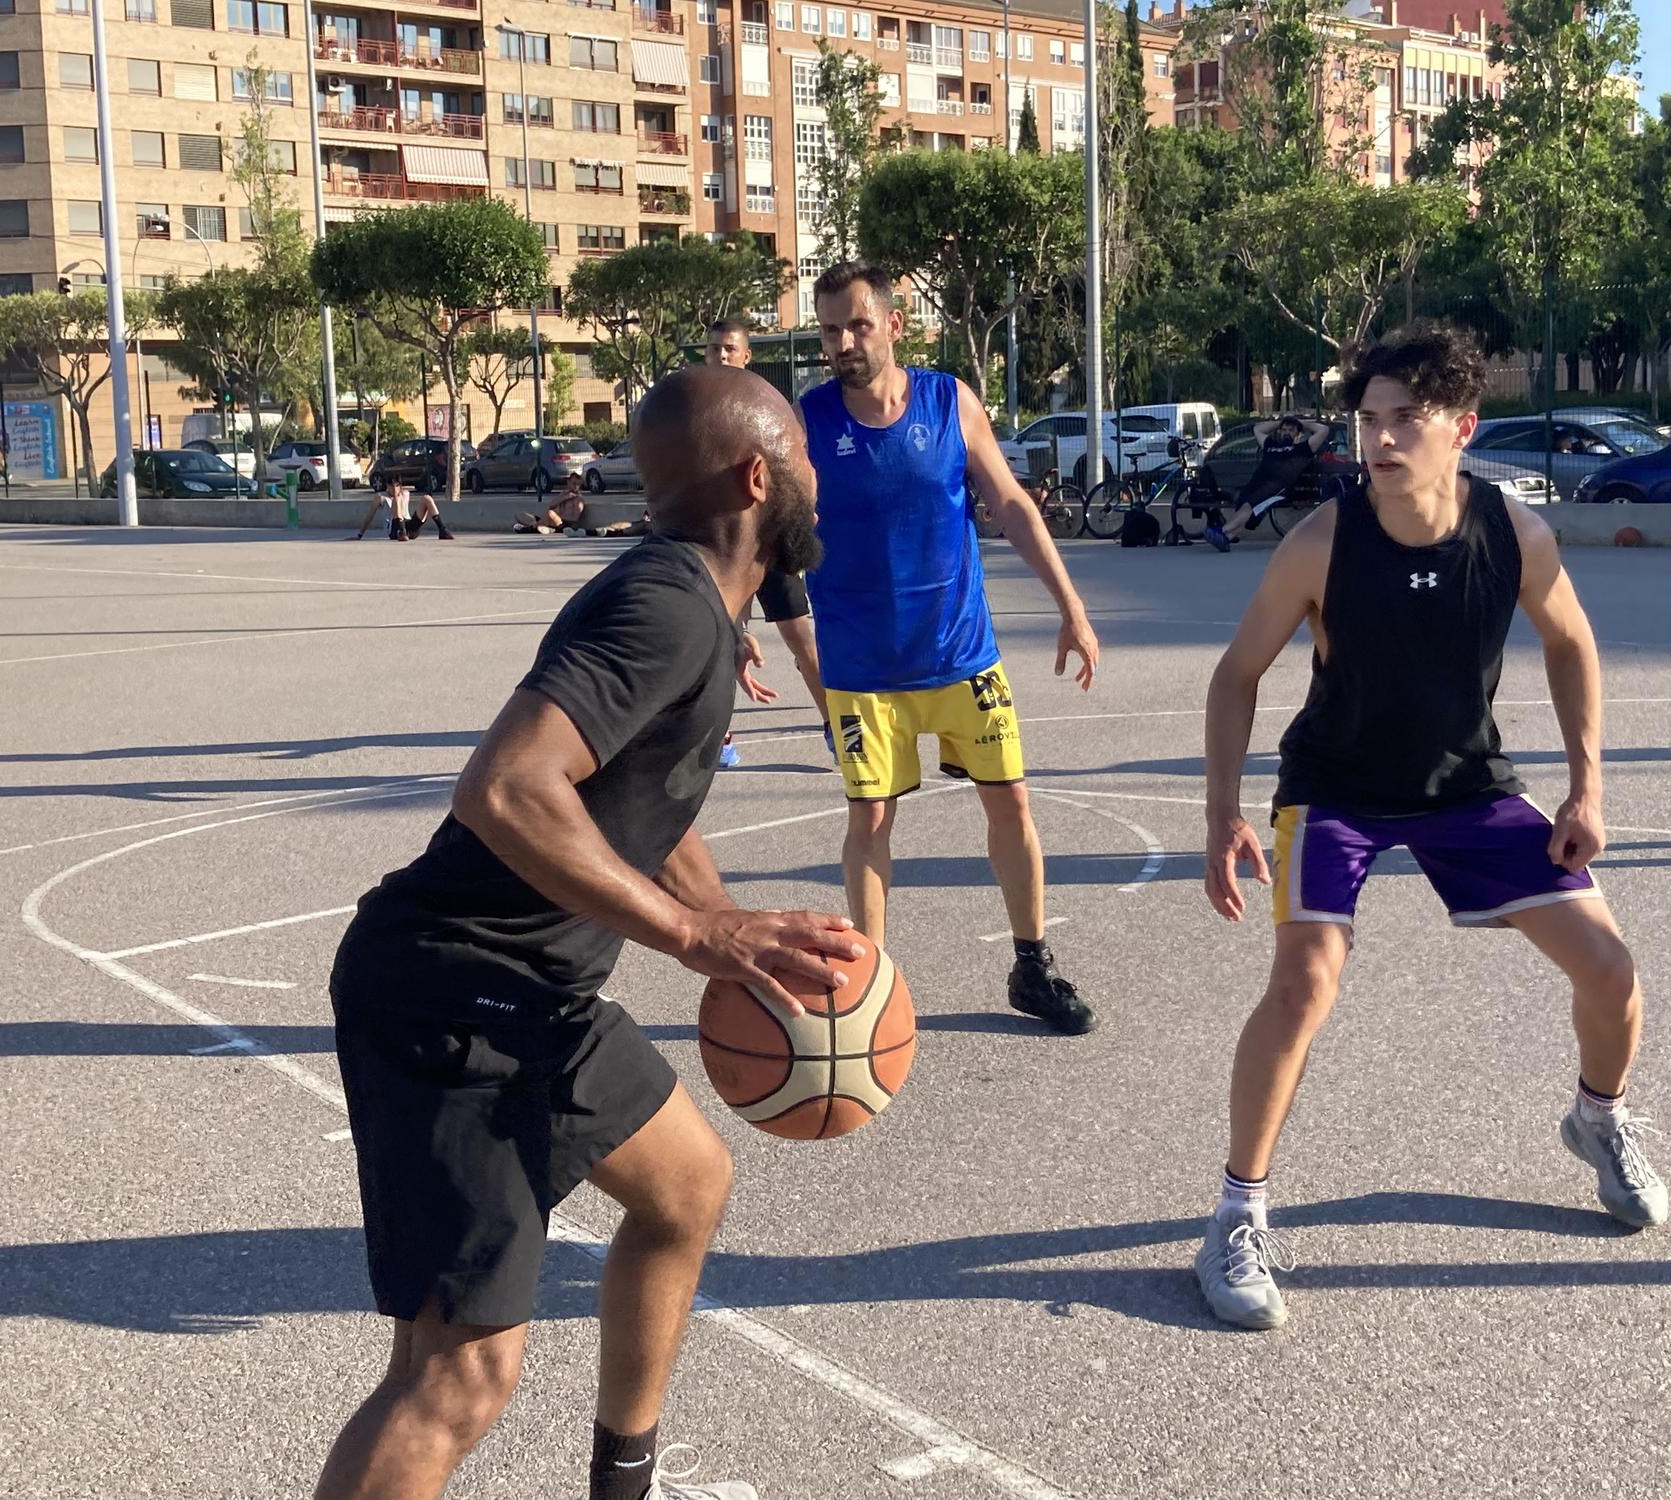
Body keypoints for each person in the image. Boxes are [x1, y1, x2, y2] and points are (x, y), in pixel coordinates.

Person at [317, 364, 849, 1500]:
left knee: (686, 1187)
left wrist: (726, 917)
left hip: (533, 994)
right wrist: (694, 943)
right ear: (758, 477)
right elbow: (507, 788)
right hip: (450, 994)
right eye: (801, 458)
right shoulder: (663, 609)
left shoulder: (699, 606)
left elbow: (632, 806)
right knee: (455, 1377)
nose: (816, 477)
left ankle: (624, 1482)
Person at [1195, 322, 1668, 1332]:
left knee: (1611, 971)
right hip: (1335, 789)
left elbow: (1571, 643)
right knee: (1300, 983)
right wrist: (1219, 813)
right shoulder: (1321, 541)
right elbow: (1236, 675)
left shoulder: (1511, 533)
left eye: (1404, 419)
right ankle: (1236, 1214)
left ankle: (1596, 1119)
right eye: (1367, 420)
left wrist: (1585, 788)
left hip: (1464, 786)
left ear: (1461, 426)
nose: (1379, 439)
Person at [803, 261, 1101, 1035]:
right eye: (830, 328)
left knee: (1012, 804)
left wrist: (1071, 606)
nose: (843, 342)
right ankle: (868, 988)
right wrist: (733, 625)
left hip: (962, 656)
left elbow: (1009, 502)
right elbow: (762, 532)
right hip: (862, 670)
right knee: (869, 822)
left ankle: (1032, 965)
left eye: (858, 325)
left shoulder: (947, 401)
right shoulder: (807, 422)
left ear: (894, 325)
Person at [702, 316, 828, 767]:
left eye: (729, 349)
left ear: (746, 355)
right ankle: (718, 734)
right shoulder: (695, 407)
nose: (720, 356)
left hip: (768, 535)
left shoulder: (767, 407)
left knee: (801, 637)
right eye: (714, 348)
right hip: (719, 541)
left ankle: (835, 726)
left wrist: (800, 512)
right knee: (718, 640)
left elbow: (795, 467)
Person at [1205, 415, 1334, 552]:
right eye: (1284, 430)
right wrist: (1280, 422)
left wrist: (1300, 422)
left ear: (1297, 433)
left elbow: (1324, 430)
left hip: (1277, 486)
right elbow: (1258, 429)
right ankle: (1227, 537)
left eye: (1291, 430)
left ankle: (1222, 531)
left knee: (1250, 506)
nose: (1286, 433)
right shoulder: (1270, 445)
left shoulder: (1304, 448)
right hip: (1258, 481)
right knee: (1244, 504)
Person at [354, 473, 453, 541]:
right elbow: (369, 515)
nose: (394, 489)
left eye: (397, 486)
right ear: (387, 486)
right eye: (391, 486)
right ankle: (401, 531)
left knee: (427, 498)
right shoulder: (380, 497)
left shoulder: (405, 493)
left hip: (409, 526)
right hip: (394, 529)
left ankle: (442, 530)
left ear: (400, 486)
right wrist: (360, 535)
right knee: (396, 499)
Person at [513, 471, 600, 535]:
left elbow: (574, 518)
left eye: (578, 485)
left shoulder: (578, 499)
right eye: (573, 483)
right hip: (550, 520)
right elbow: (551, 505)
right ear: (568, 482)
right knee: (520, 515)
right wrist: (564, 498)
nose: (575, 486)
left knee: (550, 513)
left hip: (562, 524)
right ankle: (538, 526)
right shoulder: (563, 494)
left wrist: (558, 516)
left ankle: (530, 529)